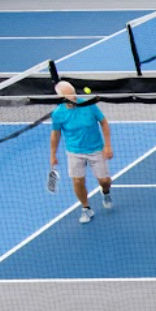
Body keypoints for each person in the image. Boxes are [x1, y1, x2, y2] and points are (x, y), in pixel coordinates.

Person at [48, 80, 115, 224]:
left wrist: (107, 145)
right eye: (68, 95)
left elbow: (104, 122)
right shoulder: (58, 113)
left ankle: (106, 192)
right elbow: (56, 134)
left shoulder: (89, 105)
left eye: (73, 94)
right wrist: (53, 154)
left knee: (104, 181)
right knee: (78, 181)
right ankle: (86, 208)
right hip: (74, 152)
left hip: (96, 149)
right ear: (60, 97)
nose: (72, 97)